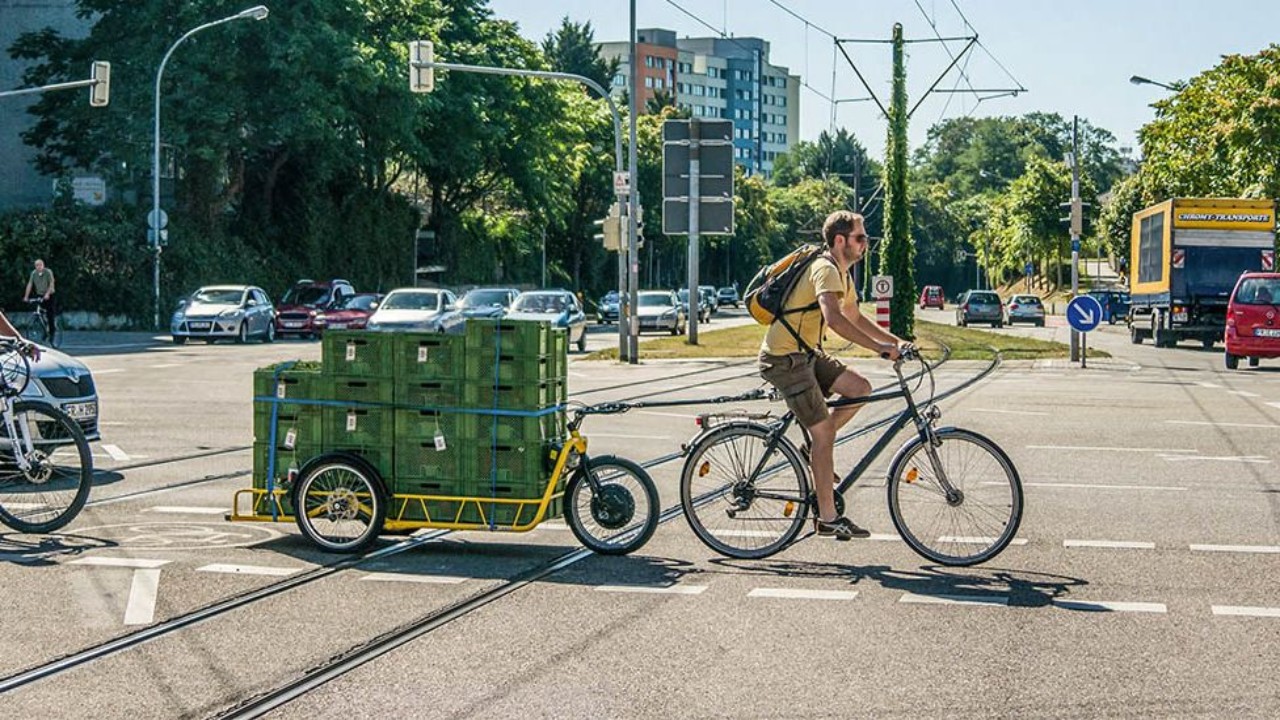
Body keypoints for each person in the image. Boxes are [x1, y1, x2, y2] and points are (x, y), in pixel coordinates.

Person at [758, 210, 906, 541]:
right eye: (860, 237)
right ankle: (827, 517)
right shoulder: (825, 269)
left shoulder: (842, 272)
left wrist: (896, 342)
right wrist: (880, 349)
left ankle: (813, 448)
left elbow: (855, 315)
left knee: (860, 388)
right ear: (840, 241)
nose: (866, 243)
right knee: (824, 433)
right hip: (785, 359)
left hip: (806, 353)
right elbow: (836, 321)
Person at [23, 258, 57, 345]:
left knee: (50, 315)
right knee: (39, 312)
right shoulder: (34, 273)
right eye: (36, 265)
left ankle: (52, 333)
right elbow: (30, 284)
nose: (38, 267)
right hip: (40, 295)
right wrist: (26, 296)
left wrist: (47, 294)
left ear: (43, 265)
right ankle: (45, 330)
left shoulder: (48, 272)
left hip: (49, 295)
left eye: (40, 265)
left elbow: (51, 283)